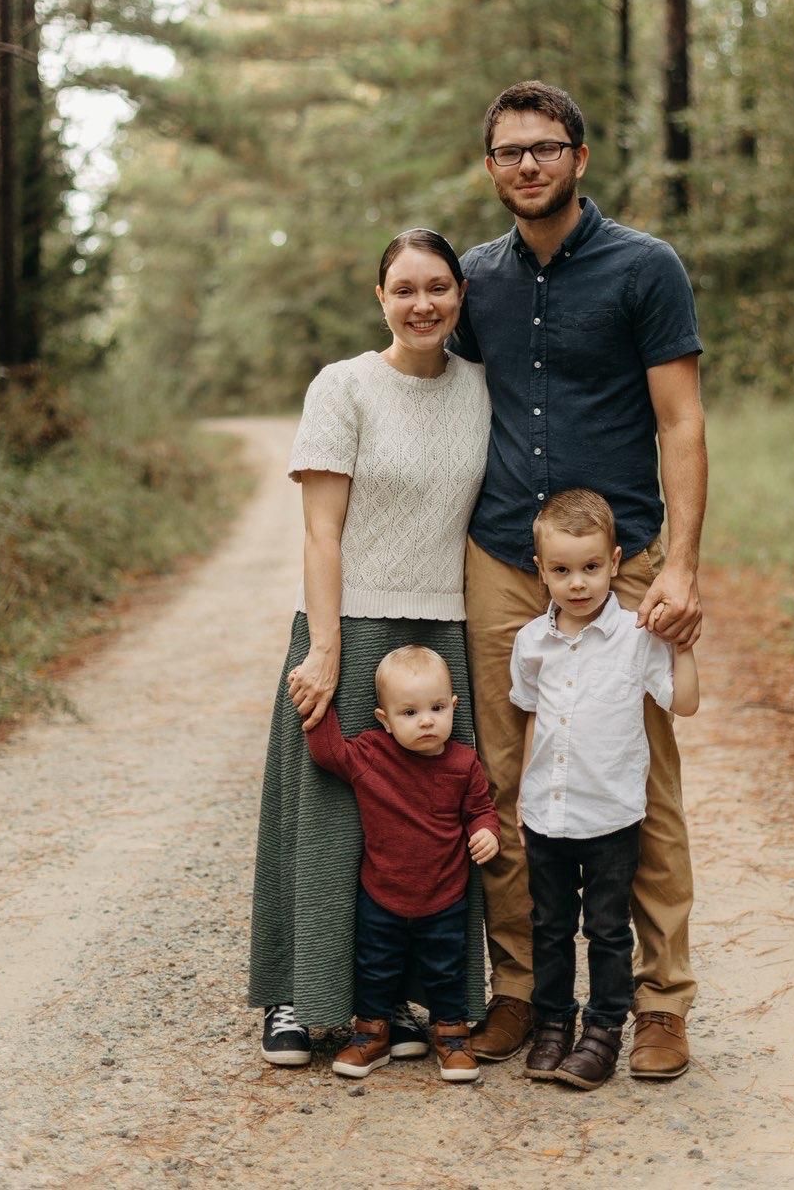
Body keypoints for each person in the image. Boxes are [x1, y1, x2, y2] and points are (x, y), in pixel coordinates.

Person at [452, 80, 707, 1080]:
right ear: (489, 168)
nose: (527, 165)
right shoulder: (475, 283)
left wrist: (678, 568)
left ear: (579, 158)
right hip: (503, 562)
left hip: (624, 560)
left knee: (638, 780)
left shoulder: (645, 269)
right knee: (505, 781)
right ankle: (522, 990)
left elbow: (680, 423)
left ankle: (660, 1001)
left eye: (545, 148)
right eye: (509, 151)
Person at [249, 229, 492, 1067]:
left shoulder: (482, 390)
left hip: (441, 632)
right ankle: (292, 995)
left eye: (438, 287)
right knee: (328, 812)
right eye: (404, 288)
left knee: (428, 826)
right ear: (380, 298)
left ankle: (403, 1000)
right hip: (347, 624)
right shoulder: (343, 386)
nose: (422, 303)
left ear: (461, 294)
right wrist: (322, 650)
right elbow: (322, 532)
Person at [512, 490, 699, 1091]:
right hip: (548, 816)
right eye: (561, 570)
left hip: (612, 819)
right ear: (539, 570)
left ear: (615, 561)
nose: (577, 584)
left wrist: (683, 648)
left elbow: (685, 703)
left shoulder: (636, 637)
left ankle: (603, 1031)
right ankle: (552, 1025)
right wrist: (525, 795)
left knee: (609, 930)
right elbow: (531, 718)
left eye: (591, 567)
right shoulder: (530, 644)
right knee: (551, 925)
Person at [305, 645, 500, 1083]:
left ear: (453, 707)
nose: (426, 720)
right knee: (375, 966)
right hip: (382, 892)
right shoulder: (373, 754)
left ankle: (451, 1037)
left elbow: (481, 810)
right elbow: (329, 753)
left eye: (435, 708)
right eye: (409, 713)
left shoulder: (464, 762)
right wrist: (318, 703)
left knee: (445, 968)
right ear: (385, 720)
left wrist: (486, 832)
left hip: (445, 894)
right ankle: (371, 1036)